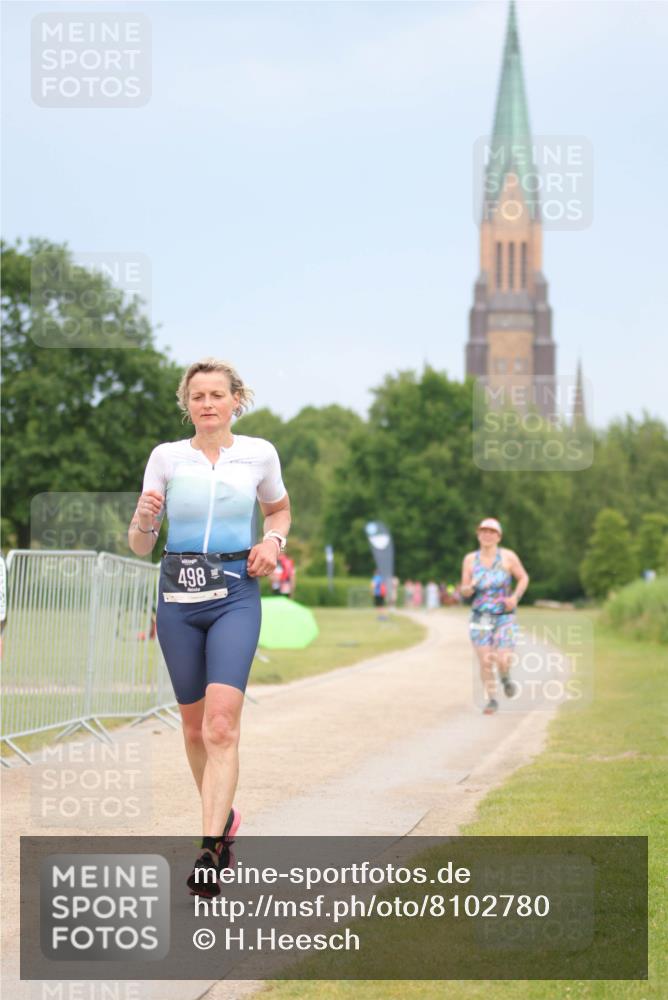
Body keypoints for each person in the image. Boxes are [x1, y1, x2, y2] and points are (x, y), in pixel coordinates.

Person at [128, 358, 290, 895]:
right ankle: (224, 819)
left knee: (221, 726)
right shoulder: (166, 458)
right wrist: (145, 516)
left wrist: (273, 542)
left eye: (217, 395)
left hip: (235, 595)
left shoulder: (258, 454)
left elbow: (279, 513)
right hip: (177, 598)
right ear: (187, 404)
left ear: (234, 400)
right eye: (197, 396)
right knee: (194, 729)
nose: (207, 404)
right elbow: (141, 544)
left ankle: (210, 851)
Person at [459, 517, 529, 715]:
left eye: (491, 532)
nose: (487, 535)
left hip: (504, 615)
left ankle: (505, 677)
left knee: (502, 659)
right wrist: (468, 588)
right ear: (478, 534)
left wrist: (515, 597)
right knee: (485, 661)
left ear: (499, 536)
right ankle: (492, 700)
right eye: (483, 531)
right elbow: (463, 589)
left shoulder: (508, 557)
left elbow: (523, 577)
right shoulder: (470, 560)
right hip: (480, 616)